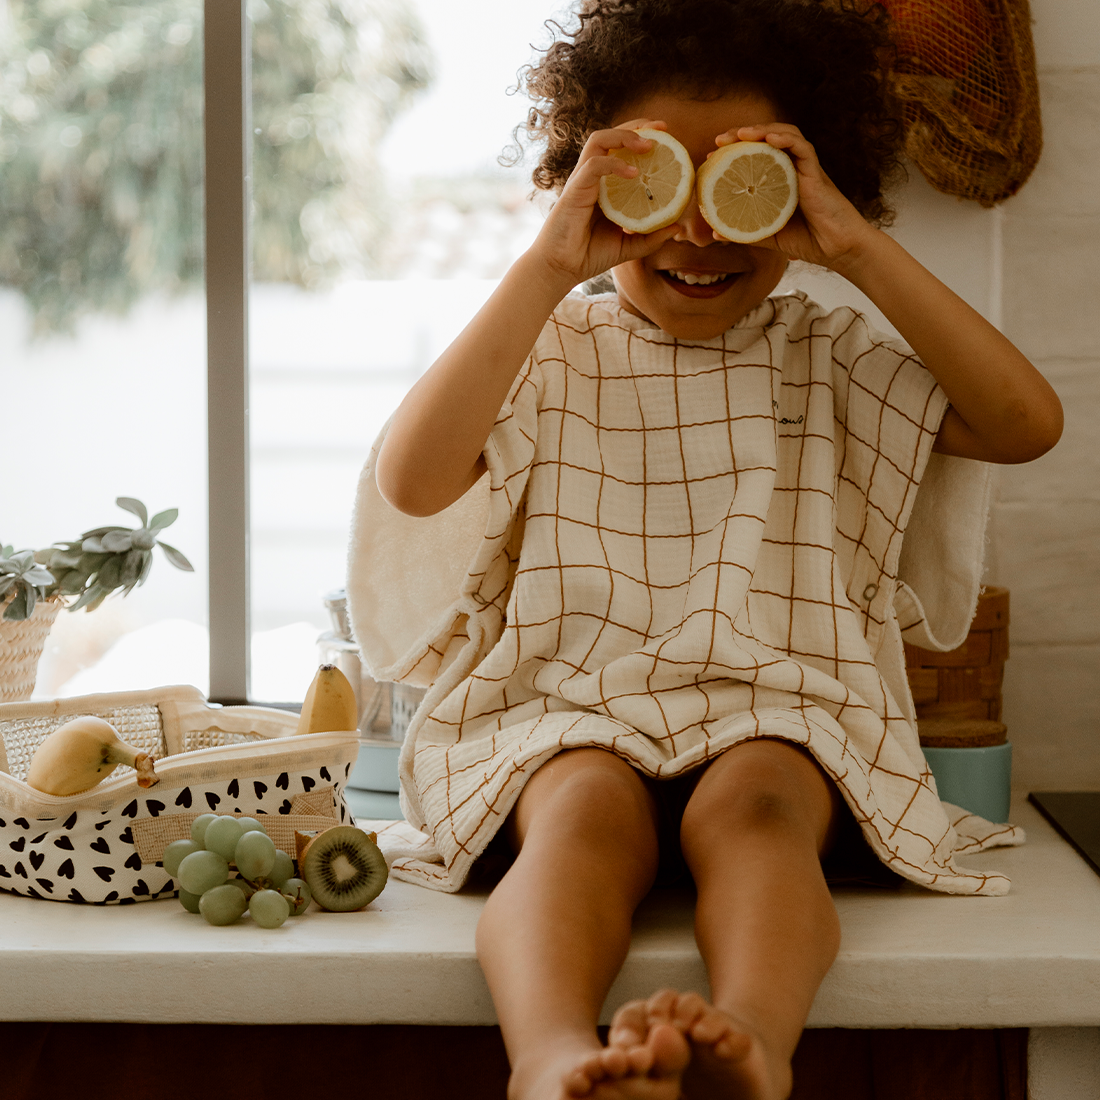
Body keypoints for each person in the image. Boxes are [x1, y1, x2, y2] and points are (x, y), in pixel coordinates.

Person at [353, 1, 1063, 1097]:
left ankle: (750, 1043)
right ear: (586, 183)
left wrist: (856, 250)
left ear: (816, 184)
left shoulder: (827, 350)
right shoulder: (551, 349)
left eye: (740, 189)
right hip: (568, 703)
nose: (695, 232)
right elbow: (412, 477)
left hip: (776, 700)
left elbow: (1026, 422)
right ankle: (547, 1055)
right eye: (650, 186)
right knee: (580, 812)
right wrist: (546, 267)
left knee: (762, 806)